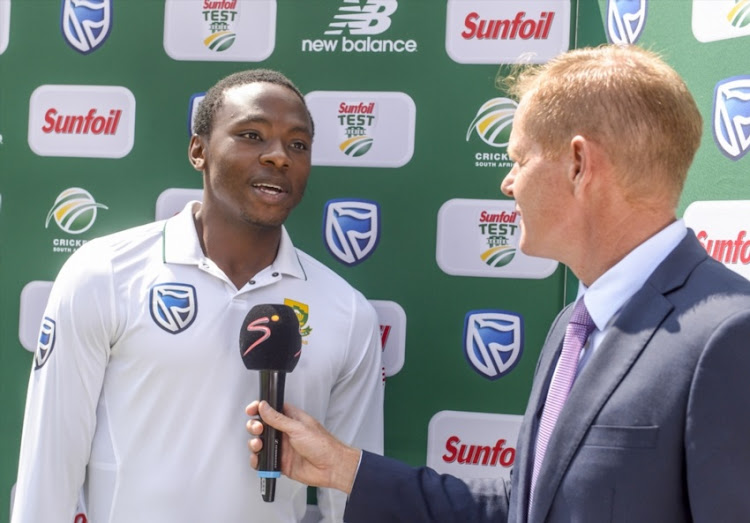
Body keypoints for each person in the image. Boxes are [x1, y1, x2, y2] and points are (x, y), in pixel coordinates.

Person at [246, 45, 750, 522]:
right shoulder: (575, 329)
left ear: (578, 165)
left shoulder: (729, 335)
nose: (507, 183)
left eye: (519, 158)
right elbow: (526, 507)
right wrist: (344, 469)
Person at [12, 69, 384, 523]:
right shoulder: (104, 274)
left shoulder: (347, 313)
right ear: (198, 151)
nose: (279, 157)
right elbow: (49, 463)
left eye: (298, 144)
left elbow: (351, 497)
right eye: (251, 135)